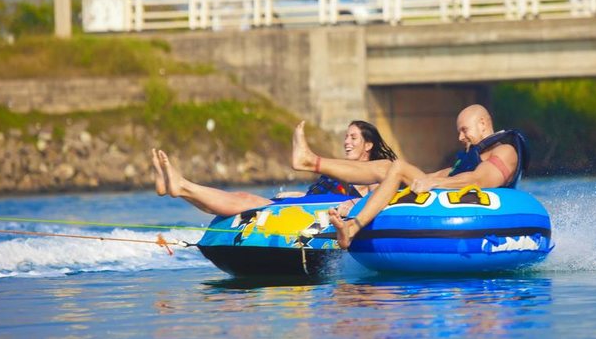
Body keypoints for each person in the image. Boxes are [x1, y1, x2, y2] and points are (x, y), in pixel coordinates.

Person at [291, 104, 528, 248]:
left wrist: (433, 181)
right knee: (389, 167)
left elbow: (479, 180)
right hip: (449, 201)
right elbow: (437, 175)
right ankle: (312, 161)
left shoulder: (504, 151)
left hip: (481, 216)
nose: (460, 137)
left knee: (398, 168)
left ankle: (353, 228)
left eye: (464, 130)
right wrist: (361, 200)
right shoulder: (470, 155)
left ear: (483, 124)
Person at [153, 120, 396, 217]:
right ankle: (179, 188)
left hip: (313, 217)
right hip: (304, 207)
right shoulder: (343, 170)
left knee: (245, 200)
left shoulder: (375, 174)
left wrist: (355, 204)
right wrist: (301, 196)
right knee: (240, 199)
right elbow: (322, 195)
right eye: (346, 136)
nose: (346, 142)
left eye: (353, 137)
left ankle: (183, 186)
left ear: (369, 145)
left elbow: (380, 197)